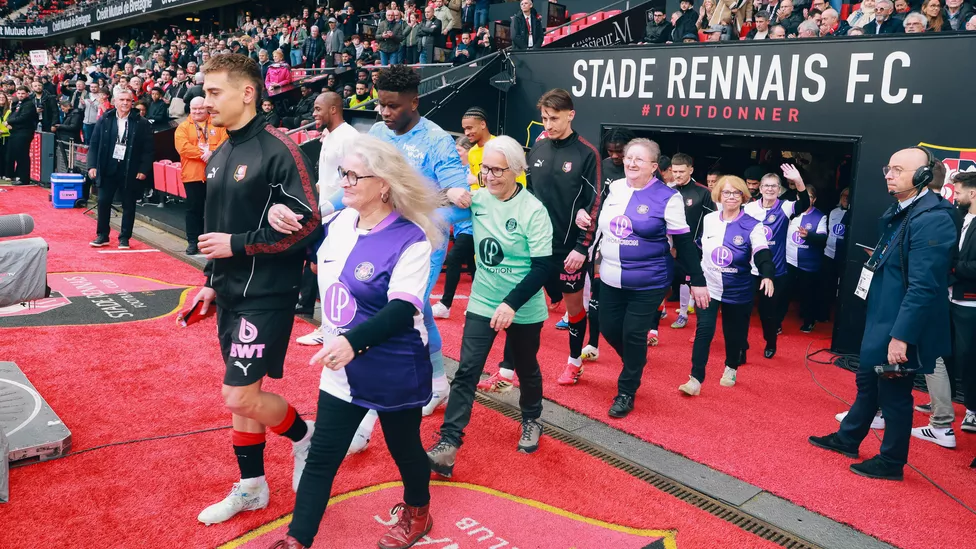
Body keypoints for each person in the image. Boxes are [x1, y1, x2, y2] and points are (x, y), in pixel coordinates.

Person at [264, 135, 440, 549]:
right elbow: (306, 248)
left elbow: (403, 309)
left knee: (404, 448)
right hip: (341, 365)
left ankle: (418, 511)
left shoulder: (411, 238)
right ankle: (297, 540)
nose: (343, 181)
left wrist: (352, 343)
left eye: (353, 175)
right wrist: (276, 215)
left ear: (383, 184)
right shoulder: (339, 221)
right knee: (324, 454)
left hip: (393, 364)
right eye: (343, 173)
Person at [189, 54, 322, 525]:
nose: (206, 102)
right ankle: (252, 488)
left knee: (239, 396)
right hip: (228, 293)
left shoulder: (280, 149)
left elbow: (309, 226)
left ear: (248, 93)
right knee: (244, 397)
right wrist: (209, 281)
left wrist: (238, 244)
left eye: (214, 92)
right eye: (205, 92)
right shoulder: (222, 151)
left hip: (267, 294)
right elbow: (217, 233)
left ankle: (307, 437)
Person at [809, 147, 956, 481]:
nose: (888, 174)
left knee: (894, 393)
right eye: (887, 167)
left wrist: (901, 336)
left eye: (897, 169)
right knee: (868, 383)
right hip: (883, 317)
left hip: (900, 325)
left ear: (921, 176)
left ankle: (891, 462)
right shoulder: (904, 210)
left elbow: (923, 287)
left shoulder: (932, 219)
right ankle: (848, 438)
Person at [426, 135, 553, 476]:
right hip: (483, 299)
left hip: (523, 306)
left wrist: (511, 304)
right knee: (467, 369)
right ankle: (449, 443)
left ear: (516, 171)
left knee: (526, 368)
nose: (491, 176)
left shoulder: (533, 211)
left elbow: (544, 267)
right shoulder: (478, 200)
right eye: (485, 170)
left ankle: (531, 419)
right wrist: (450, 193)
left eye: (498, 170)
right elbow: (435, 211)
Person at [595, 138, 708, 417]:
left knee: (633, 332)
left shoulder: (668, 197)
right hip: (610, 276)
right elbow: (603, 223)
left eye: (639, 159)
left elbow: (683, 243)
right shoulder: (616, 187)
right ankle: (635, 360)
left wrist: (698, 280)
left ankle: (626, 390)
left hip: (649, 280)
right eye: (629, 157)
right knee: (608, 327)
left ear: (654, 167)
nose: (631, 163)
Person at [525, 89, 602, 387]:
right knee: (524, 302)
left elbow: (595, 202)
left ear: (571, 115)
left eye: (554, 118)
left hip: (569, 248)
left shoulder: (586, 153)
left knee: (572, 308)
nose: (548, 124)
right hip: (535, 243)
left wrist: (583, 247)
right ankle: (510, 366)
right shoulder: (539, 146)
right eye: (544, 118)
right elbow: (530, 194)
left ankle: (574, 362)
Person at [679, 175, 774, 395]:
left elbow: (762, 252)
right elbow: (699, 249)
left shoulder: (753, 225)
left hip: (738, 289)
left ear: (743, 197)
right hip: (709, 286)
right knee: (704, 330)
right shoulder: (709, 219)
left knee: (735, 334)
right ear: (718, 195)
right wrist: (694, 278)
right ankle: (695, 379)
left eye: (736, 193)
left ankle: (731, 365)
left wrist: (767, 274)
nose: (731, 197)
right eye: (726, 192)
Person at [293, 92, 363, 353]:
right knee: (319, 267)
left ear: (333, 109)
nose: (313, 113)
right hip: (327, 214)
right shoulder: (332, 136)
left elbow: (353, 179)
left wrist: (330, 207)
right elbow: (331, 178)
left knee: (332, 269)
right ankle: (332, 324)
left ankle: (332, 326)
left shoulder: (349, 138)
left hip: (341, 215)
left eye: (317, 108)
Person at [742, 166, 809, 358]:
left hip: (774, 271)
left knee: (768, 312)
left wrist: (798, 181)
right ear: (760, 188)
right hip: (750, 268)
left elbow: (803, 203)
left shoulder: (785, 206)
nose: (770, 189)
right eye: (766, 186)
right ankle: (741, 343)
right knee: (743, 309)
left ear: (779, 189)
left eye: (774, 186)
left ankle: (771, 342)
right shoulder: (749, 208)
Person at [87, 90, 154, 249]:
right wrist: (92, 165)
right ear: (115, 101)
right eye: (121, 99)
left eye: (128, 100)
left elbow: (148, 149)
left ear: (133, 102)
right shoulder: (105, 119)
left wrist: (144, 169)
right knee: (103, 202)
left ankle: (124, 237)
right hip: (108, 167)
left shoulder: (142, 122)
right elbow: (94, 144)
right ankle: (102, 235)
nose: (125, 103)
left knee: (129, 205)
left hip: (130, 169)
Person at [175, 96, 229, 256]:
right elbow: (183, 148)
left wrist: (212, 152)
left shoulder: (218, 124)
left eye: (200, 108)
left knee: (216, 210)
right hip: (193, 175)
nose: (198, 111)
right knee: (193, 210)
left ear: (206, 108)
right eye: (194, 109)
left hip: (216, 174)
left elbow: (226, 140)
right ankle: (193, 242)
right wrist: (203, 153)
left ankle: (213, 243)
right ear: (190, 110)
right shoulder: (183, 127)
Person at [945, 172, 976, 436]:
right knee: (946, 353)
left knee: (969, 360)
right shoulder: (961, 219)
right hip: (950, 298)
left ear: (973, 194)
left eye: (958, 193)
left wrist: (953, 266)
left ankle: (973, 411)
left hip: (971, 305)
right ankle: (944, 402)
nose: (955, 197)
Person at [668, 153, 714, 330]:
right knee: (677, 280)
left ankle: (685, 314)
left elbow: (712, 222)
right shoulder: (668, 191)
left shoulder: (702, 192)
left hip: (695, 247)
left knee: (692, 280)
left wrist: (701, 244)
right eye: (675, 171)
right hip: (673, 247)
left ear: (691, 170)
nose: (678, 175)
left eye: (681, 171)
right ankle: (676, 311)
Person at [784, 184, 827, 333]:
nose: (805, 199)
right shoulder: (791, 213)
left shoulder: (820, 216)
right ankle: (777, 322)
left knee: (807, 294)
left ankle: (809, 321)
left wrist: (809, 235)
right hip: (789, 260)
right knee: (784, 291)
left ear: (814, 199)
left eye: (809, 196)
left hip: (808, 264)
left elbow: (823, 239)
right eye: (801, 196)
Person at [820, 187, 849, 323]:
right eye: (843, 195)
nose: (845, 198)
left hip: (845, 257)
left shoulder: (854, 214)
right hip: (829, 254)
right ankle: (823, 314)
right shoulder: (833, 212)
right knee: (826, 285)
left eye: (848, 196)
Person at [6, 86, 37, 185]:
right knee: (17, 155)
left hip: (24, 133)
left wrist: (8, 122)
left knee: (22, 156)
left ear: (27, 94)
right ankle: (18, 176)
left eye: (23, 93)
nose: (20, 95)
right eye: (19, 93)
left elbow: (23, 117)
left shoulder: (29, 105)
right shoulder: (18, 103)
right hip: (16, 132)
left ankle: (24, 179)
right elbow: (13, 115)